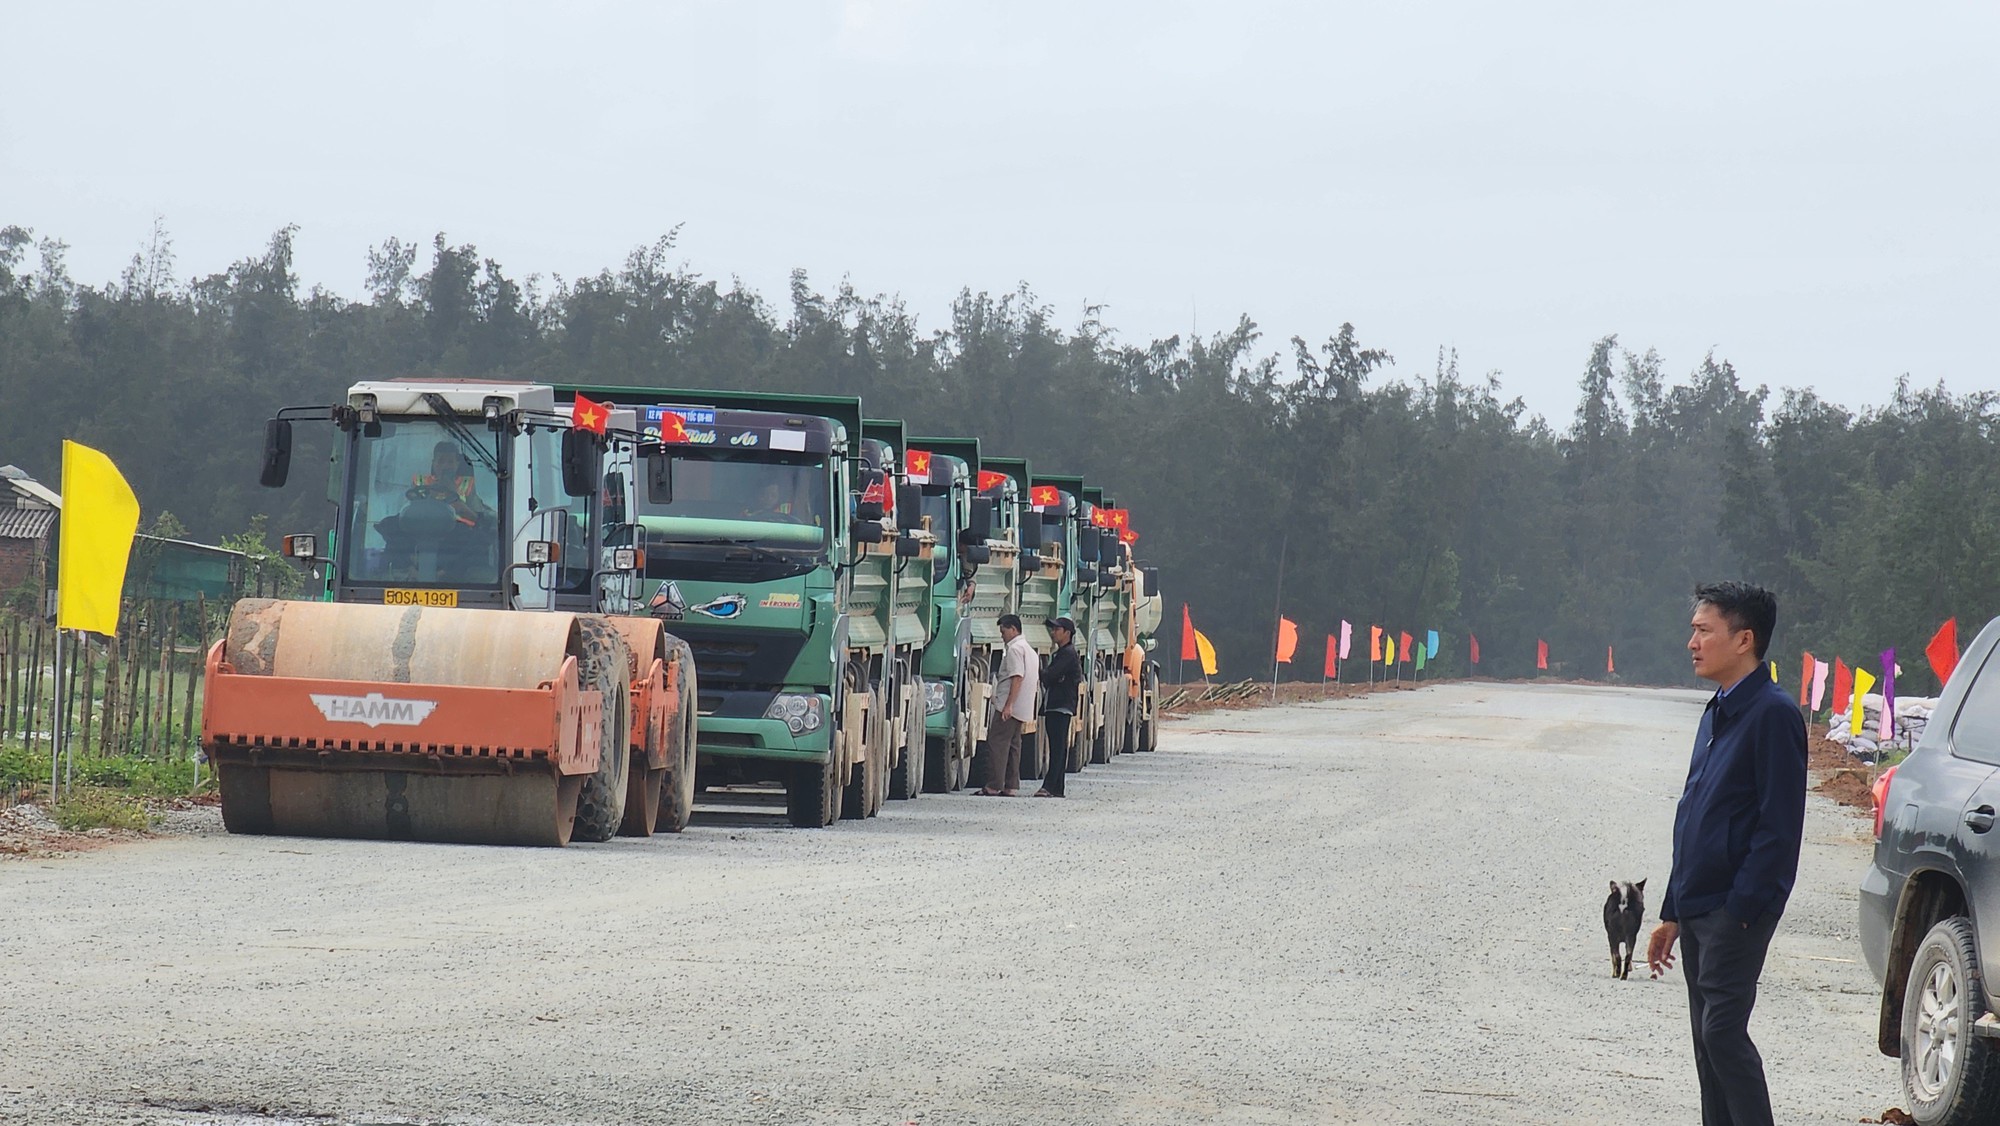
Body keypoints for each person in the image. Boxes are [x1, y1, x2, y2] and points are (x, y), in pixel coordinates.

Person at [1645, 581, 1806, 1126]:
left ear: (1744, 640)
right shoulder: (1716, 710)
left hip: (1733, 912)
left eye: (1703, 630)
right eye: (1693, 630)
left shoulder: (1773, 715)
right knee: (1705, 1043)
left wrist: (1743, 910)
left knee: (1722, 1033)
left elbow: (1779, 830)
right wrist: (1672, 909)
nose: (1692, 642)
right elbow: (1694, 815)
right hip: (1698, 906)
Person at [978, 614, 1037, 797]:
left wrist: (1008, 705)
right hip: (1023, 706)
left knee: (998, 742)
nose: (1002, 636)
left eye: (1003, 631)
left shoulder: (1014, 650)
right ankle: (1011, 786)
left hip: (1010, 705)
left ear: (1013, 629)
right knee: (1013, 746)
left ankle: (994, 785)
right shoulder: (1028, 649)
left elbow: (1017, 677)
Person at [1035, 616, 1082, 797]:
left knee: (1057, 748)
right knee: (1058, 748)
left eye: (1057, 629)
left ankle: (1049, 786)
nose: (1053, 632)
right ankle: (1057, 788)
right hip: (1057, 705)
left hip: (1060, 706)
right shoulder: (1062, 653)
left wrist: (1045, 673)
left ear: (1067, 633)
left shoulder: (1068, 654)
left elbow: (1050, 676)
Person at [406, 441, 493, 528]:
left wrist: (454, 496)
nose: (445, 466)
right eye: (441, 461)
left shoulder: (467, 485)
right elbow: (408, 515)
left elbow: (478, 522)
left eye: (450, 462)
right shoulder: (419, 483)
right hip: (424, 531)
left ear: (457, 464)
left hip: (460, 534)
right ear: (433, 463)